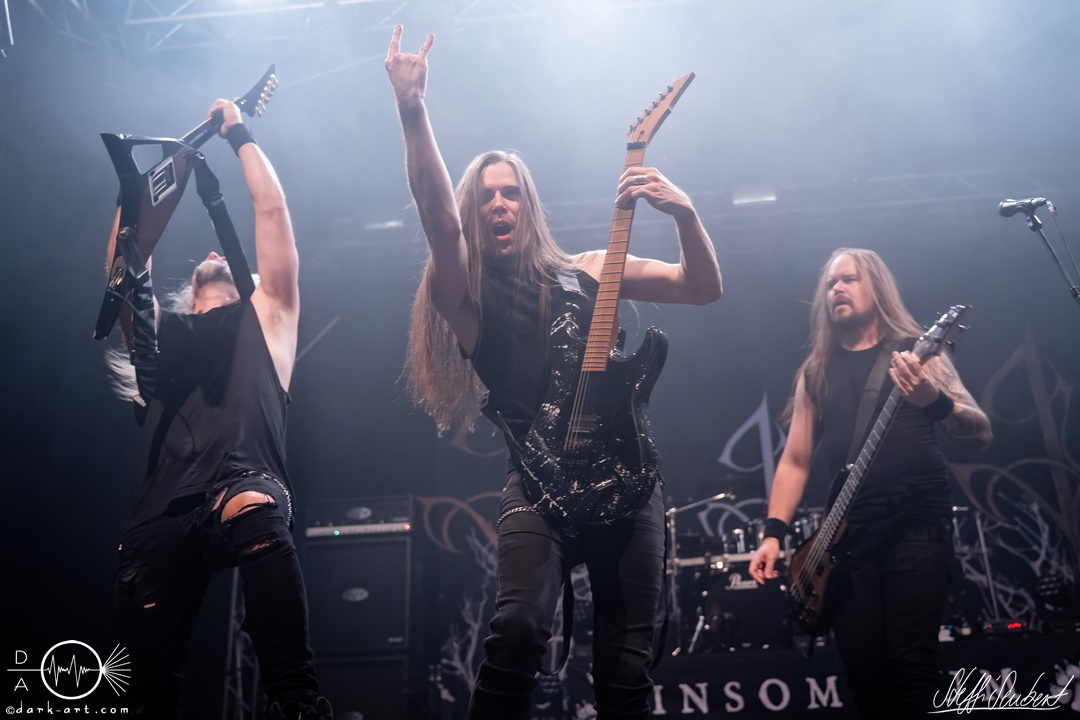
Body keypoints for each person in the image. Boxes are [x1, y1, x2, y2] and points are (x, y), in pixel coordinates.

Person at [385, 25, 722, 720]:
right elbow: (436, 217)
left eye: (510, 193)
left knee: (626, 670)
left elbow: (701, 288)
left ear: (528, 205)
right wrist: (413, 109)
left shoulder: (592, 269)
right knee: (515, 631)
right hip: (541, 489)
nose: (498, 204)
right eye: (486, 196)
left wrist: (685, 213)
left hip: (630, 485)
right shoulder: (466, 299)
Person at [106, 99, 331, 719]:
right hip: (157, 517)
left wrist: (239, 134)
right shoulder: (162, 336)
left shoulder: (270, 316)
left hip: (238, 483)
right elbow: (125, 267)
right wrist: (142, 188)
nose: (212, 251)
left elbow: (271, 211)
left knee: (253, 507)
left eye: (227, 258)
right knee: (144, 691)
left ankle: (297, 701)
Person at [749, 248, 993, 719]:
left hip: (916, 527)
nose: (836, 289)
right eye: (829, 283)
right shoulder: (816, 371)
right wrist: (773, 534)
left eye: (849, 279)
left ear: (876, 286)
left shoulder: (919, 353)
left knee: (912, 665)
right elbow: (796, 460)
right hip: (849, 542)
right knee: (864, 673)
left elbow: (979, 432)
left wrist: (933, 399)